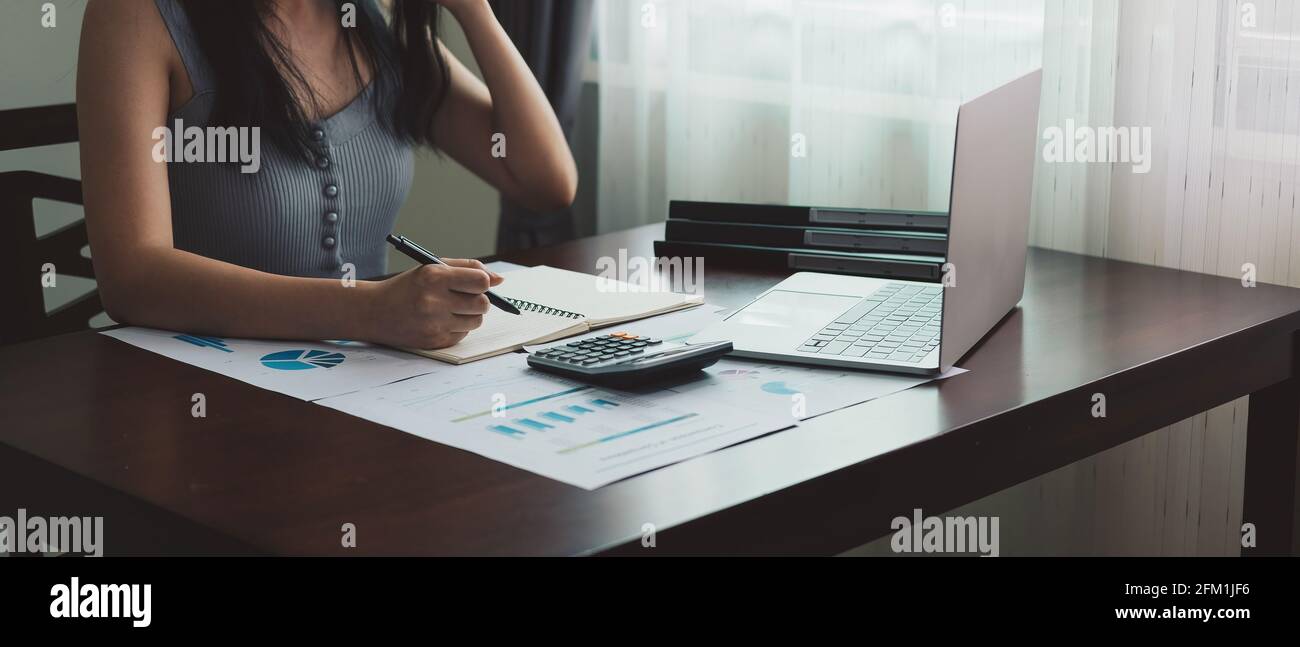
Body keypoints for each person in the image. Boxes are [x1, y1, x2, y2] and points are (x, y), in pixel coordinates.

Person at [77, 0, 577, 349]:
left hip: (363, 384)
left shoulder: (370, 19)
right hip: (198, 396)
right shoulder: (138, 14)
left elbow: (545, 181)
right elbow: (132, 279)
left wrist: (474, 11)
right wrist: (370, 310)